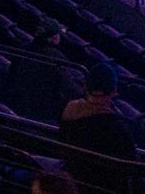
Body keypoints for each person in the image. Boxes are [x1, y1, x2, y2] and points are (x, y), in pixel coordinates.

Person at [59, 63, 139, 191]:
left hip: (75, 181)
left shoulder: (69, 110)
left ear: (86, 87)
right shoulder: (116, 128)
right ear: (113, 91)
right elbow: (131, 165)